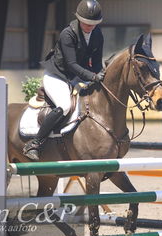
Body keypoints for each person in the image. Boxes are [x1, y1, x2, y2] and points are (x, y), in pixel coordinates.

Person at [23, 0, 105, 161]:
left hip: (75, 78)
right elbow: (71, 64)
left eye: (93, 24)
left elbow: (96, 63)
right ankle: (35, 143)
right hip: (57, 76)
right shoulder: (67, 34)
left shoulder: (97, 34)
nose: (90, 27)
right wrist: (93, 77)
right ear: (79, 19)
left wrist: (100, 75)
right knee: (65, 106)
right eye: (86, 23)